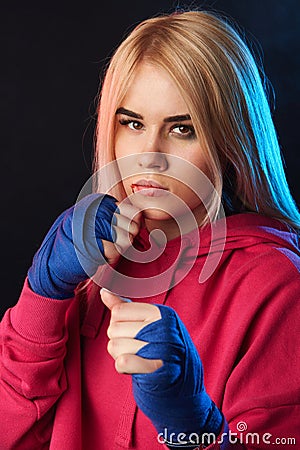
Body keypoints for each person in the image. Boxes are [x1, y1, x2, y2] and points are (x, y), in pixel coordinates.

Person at [0, 9, 299, 450]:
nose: (150, 155)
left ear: (229, 140)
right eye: (133, 123)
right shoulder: (91, 260)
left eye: (182, 129)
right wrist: (42, 297)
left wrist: (193, 423)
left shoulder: (277, 286)